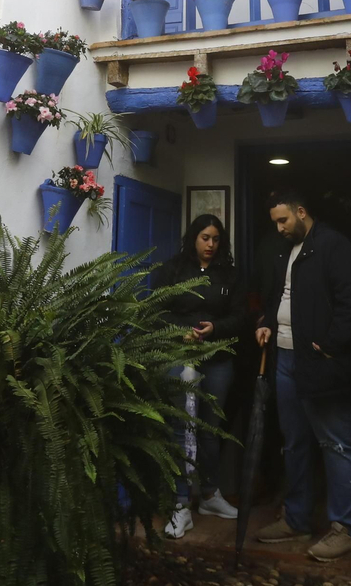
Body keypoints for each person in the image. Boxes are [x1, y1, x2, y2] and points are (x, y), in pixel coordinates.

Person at [253, 189, 351, 562]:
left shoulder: (333, 245)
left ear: (301, 212)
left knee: (336, 443)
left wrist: (330, 346)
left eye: (283, 220)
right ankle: (297, 519)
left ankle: (345, 529)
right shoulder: (285, 250)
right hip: (285, 358)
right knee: (295, 442)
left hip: (321, 360)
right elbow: (280, 298)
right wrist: (267, 323)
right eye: (275, 222)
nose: (280, 228)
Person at [151, 213, 248, 539]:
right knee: (182, 427)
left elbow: (241, 316)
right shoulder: (173, 269)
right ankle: (181, 505)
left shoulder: (230, 275)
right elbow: (156, 309)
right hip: (180, 358)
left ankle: (209, 495)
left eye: (216, 239)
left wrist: (215, 328)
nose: (210, 244)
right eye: (205, 238)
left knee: (210, 429)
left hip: (218, 360)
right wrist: (181, 332)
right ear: (193, 238)